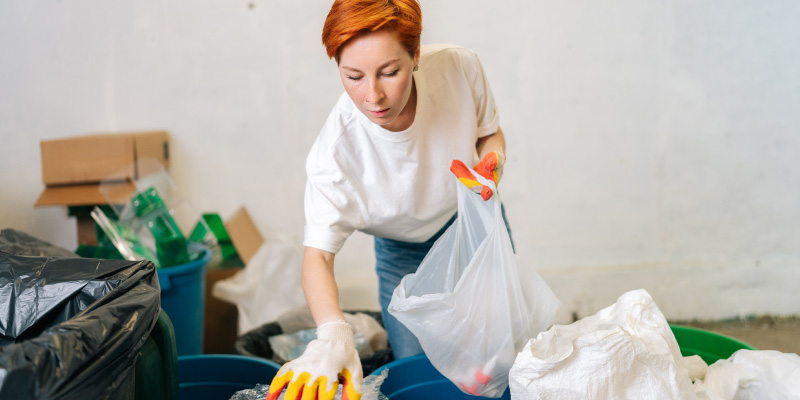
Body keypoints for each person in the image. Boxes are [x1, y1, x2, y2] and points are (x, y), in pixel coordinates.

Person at [267, 1, 509, 399]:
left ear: (415, 55)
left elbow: (489, 133)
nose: (373, 96)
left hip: (474, 226)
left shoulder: (458, 68)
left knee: (496, 362)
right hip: (402, 255)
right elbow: (318, 257)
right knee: (419, 372)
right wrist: (332, 332)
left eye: (390, 72)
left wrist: (494, 162)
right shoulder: (336, 156)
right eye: (354, 76)